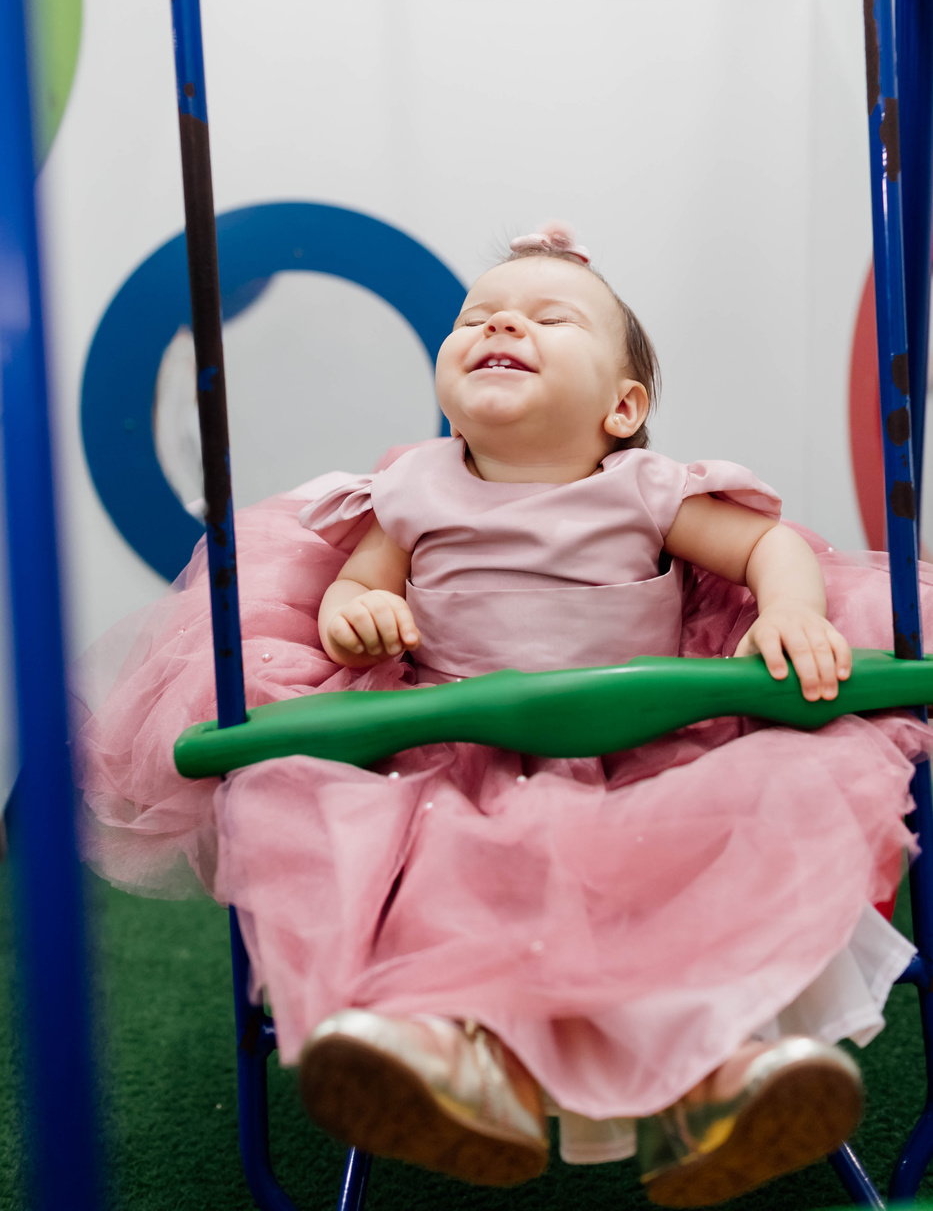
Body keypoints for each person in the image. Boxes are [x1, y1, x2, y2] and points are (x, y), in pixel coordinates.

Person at [73, 223, 933, 1207]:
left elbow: (767, 547)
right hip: (455, 754)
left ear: (622, 407)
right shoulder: (410, 490)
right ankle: (446, 1060)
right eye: (476, 316)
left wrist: (789, 611)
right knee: (347, 822)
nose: (501, 324)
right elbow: (356, 584)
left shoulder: (645, 489)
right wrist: (357, 613)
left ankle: (717, 1075)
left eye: (547, 318)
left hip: (646, 755)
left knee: (745, 812)